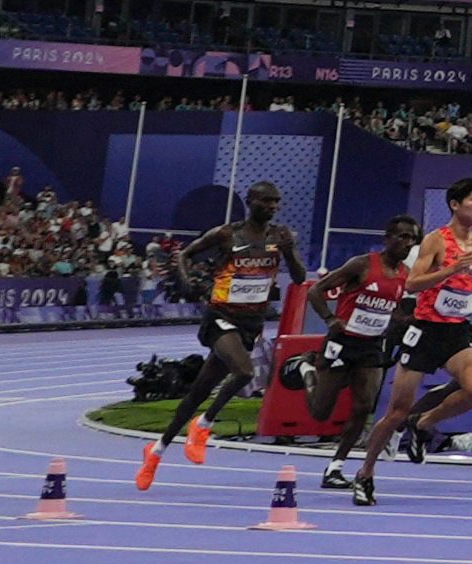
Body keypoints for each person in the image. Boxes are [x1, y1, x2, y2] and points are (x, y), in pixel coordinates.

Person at [342, 179, 472, 505]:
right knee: (396, 412)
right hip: (425, 331)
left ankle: (425, 423)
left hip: (456, 330)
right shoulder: (436, 241)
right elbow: (413, 284)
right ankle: (365, 473)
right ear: (455, 205)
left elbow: (463, 288)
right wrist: (446, 271)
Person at [139, 182, 296, 489]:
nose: (272, 207)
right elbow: (185, 254)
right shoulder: (227, 234)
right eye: (266, 201)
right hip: (221, 317)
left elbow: (300, 278)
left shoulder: (280, 237)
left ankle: (155, 451)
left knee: (199, 391)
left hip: (252, 322)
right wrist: (186, 283)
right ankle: (204, 424)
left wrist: (290, 254)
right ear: (250, 202)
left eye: (276, 202)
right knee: (244, 371)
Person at [302, 217, 422, 474]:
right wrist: (330, 318)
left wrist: (412, 320)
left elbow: (395, 312)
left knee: (364, 406)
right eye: (402, 237)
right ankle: (307, 370)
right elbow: (315, 291)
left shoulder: (405, 275)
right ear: (387, 238)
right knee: (321, 413)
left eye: (412, 239)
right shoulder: (362, 265)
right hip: (343, 342)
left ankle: (336, 465)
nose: (407, 243)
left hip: (371, 346)